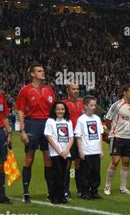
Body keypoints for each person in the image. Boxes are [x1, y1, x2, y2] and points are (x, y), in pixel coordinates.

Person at [15, 63, 56, 203]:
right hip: (32, 124)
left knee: (48, 159)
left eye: (43, 70)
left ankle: (51, 192)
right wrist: (22, 130)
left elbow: (54, 110)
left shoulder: (49, 89)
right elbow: (19, 109)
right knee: (29, 159)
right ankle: (26, 193)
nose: (42, 72)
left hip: (47, 124)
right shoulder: (25, 90)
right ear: (32, 74)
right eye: (39, 71)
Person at [104, 85, 130, 195]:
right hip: (116, 136)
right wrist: (112, 132)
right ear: (124, 93)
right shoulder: (117, 105)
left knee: (126, 162)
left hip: (127, 138)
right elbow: (108, 119)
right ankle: (107, 186)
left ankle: (123, 187)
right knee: (115, 161)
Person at [44, 102, 74, 204]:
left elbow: (71, 137)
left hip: (66, 153)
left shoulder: (68, 121)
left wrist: (66, 150)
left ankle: (62, 196)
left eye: (62, 109)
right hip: (55, 153)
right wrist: (59, 151)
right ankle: (54, 196)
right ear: (54, 110)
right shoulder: (50, 121)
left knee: (63, 175)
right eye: (58, 109)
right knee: (57, 174)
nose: (60, 111)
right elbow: (49, 137)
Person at [75, 96, 104, 200]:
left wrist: (101, 150)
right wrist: (80, 151)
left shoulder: (97, 119)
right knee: (86, 173)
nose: (93, 107)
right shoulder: (81, 120)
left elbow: (100, 134)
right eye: (91, 105)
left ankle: (94, 191)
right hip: (86, 150)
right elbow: (78, 136)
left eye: (94, 105)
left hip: (96, 150)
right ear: (85, 106)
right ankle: (85, 192)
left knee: (96, 173)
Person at [63, 83, 84, 199]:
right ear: (68, 90)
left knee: (79, 163)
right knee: (67, 164)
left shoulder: (81, 104)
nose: (76, 91)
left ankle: (80, 189)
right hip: (68, 138)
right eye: (73, 89)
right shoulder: (64, 104)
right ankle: (65, 190)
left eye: (77, 89)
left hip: (79, 137)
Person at [0, 90, 13, 204]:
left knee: (2, 163)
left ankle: (1, 194)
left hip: (0, 133)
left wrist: (9, 133)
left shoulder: (1, 97)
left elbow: (4, 116)